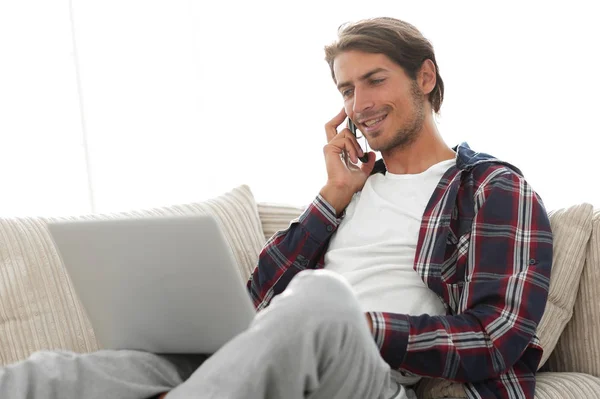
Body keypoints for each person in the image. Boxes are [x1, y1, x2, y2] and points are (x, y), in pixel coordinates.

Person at [0, 17, 552, 399]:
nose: (359, 105)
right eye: (345, 90)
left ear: (424, 77)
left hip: (368, 379)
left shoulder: (489, 187)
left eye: (374, 80)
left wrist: (345, 325)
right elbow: (254, 300)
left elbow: (495, 334)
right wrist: (331, 199)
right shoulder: (352, 188)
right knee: (69, 374)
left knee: (318, 297)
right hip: (277, 353)